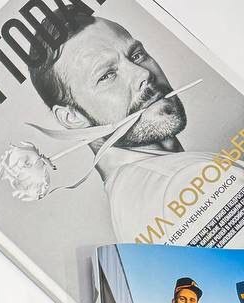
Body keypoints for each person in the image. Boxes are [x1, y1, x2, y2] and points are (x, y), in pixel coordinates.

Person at [27, 3, 216, 242]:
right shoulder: (184, 182)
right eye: (107, 75)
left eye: (136, 55)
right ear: (72, 117)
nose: (143, 74)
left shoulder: (131, 199)